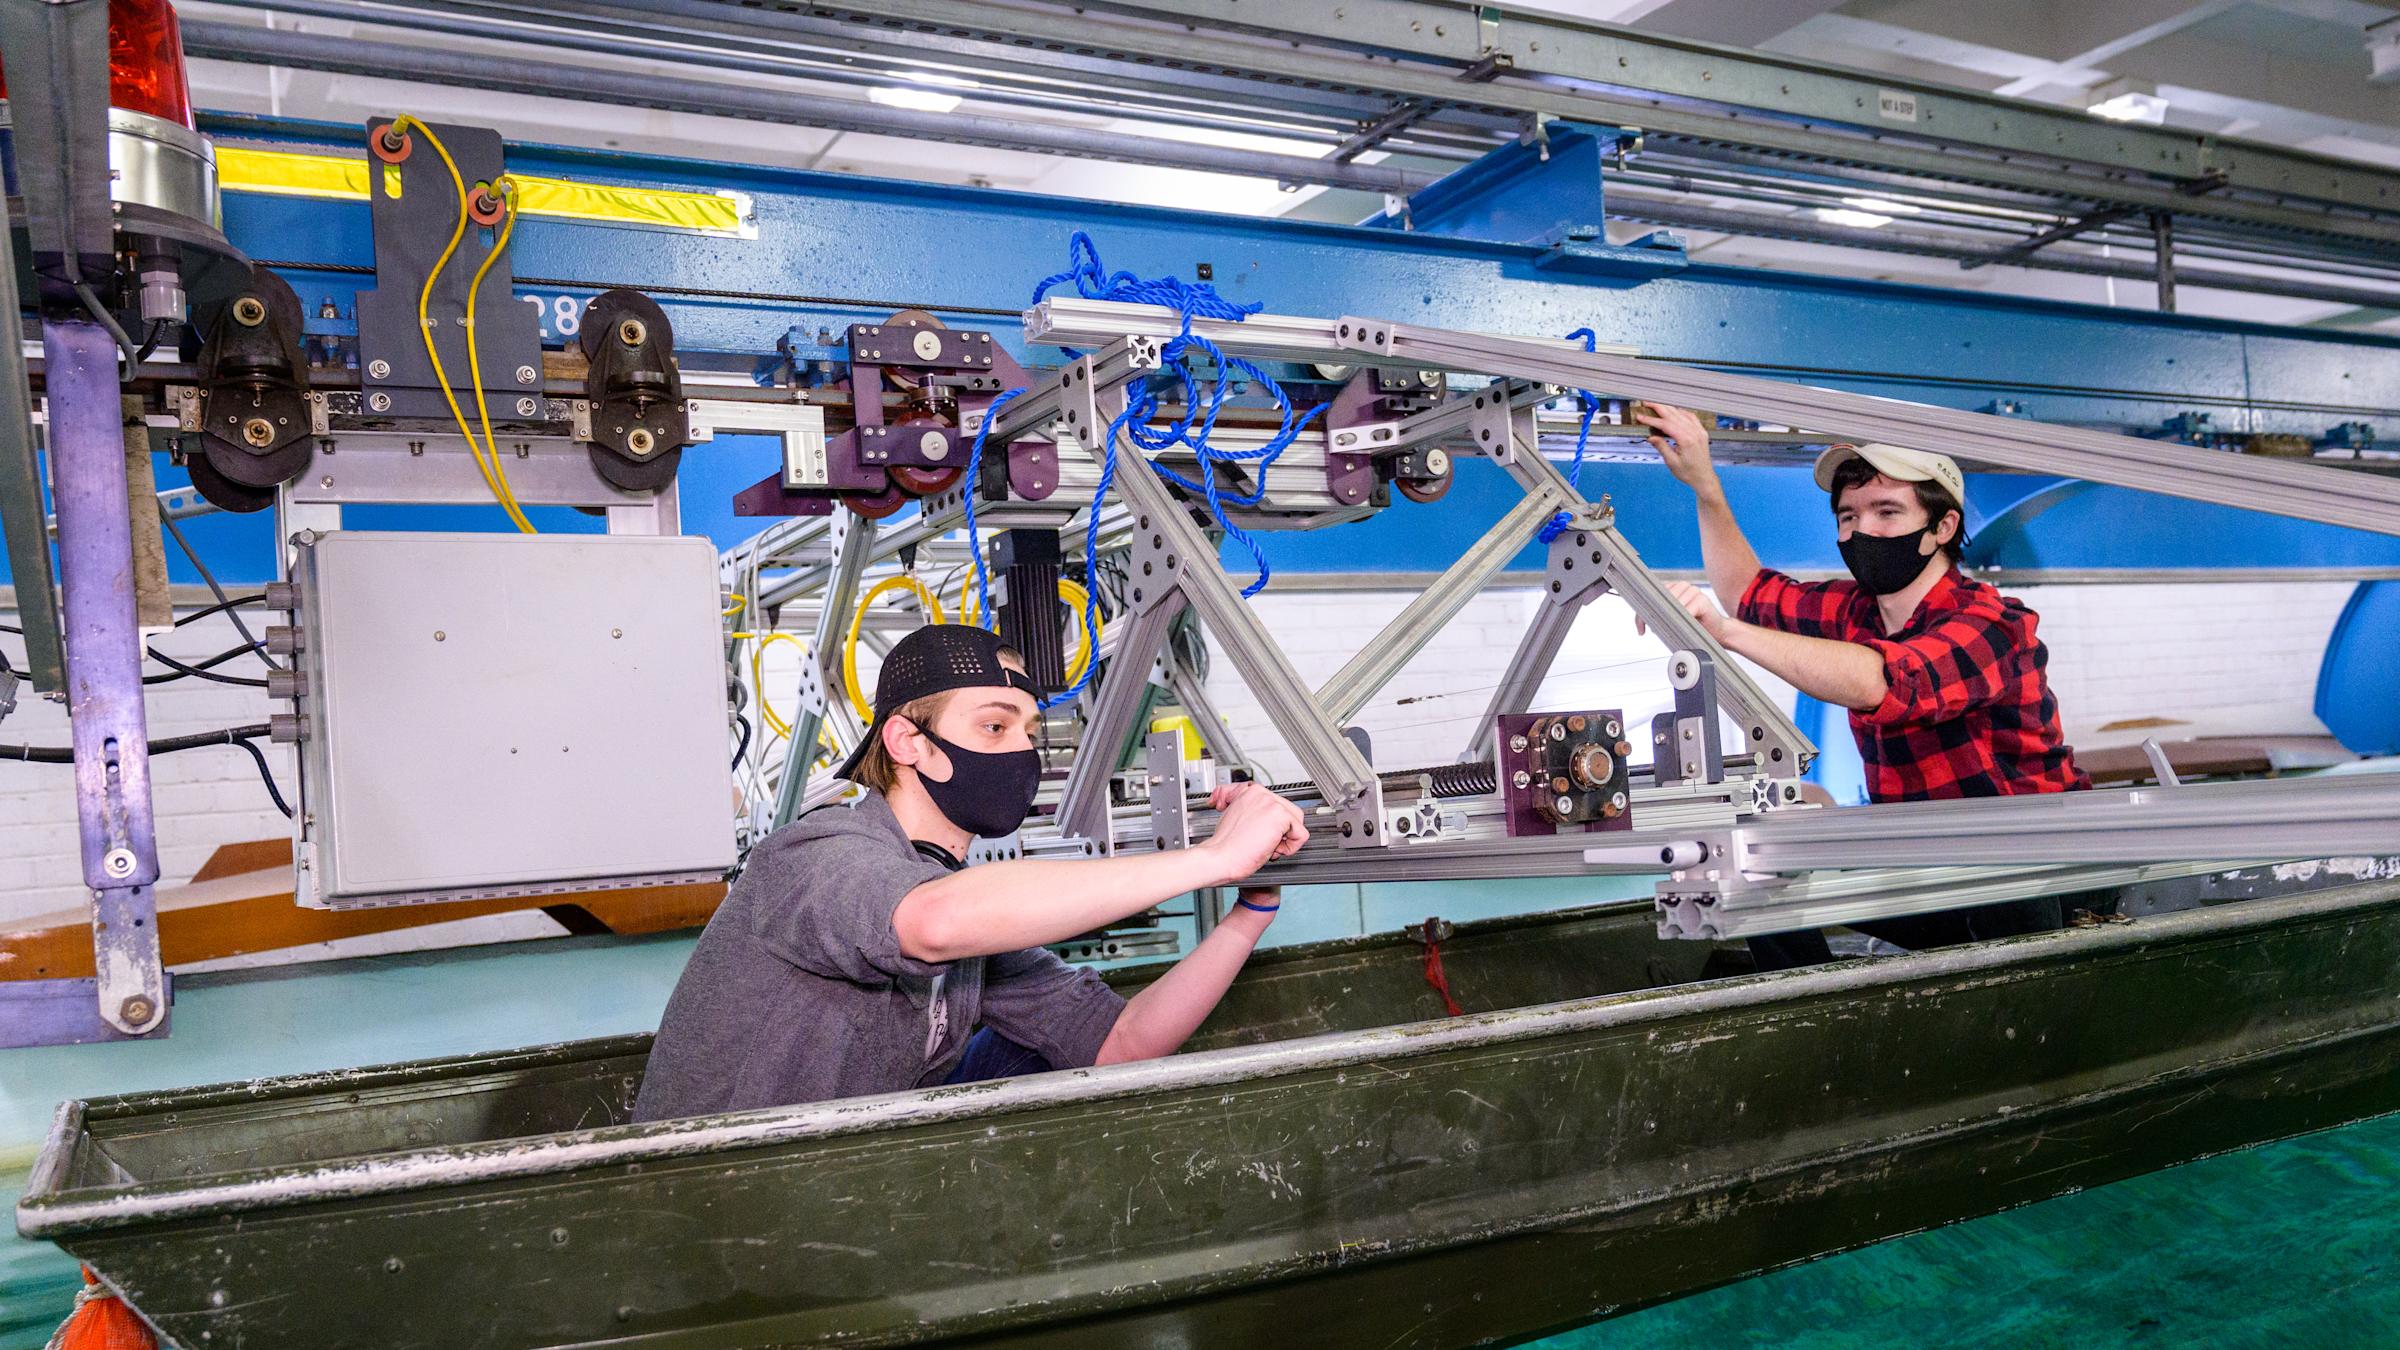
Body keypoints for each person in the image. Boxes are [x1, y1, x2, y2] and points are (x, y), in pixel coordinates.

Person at [633, 623, 1306, 1121]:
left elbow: (1122, 1042)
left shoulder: (962, 914)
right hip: (706, 1206)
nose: (1022, 751)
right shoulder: (814, 856)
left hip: (839, 1194)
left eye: (1030, 732)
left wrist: (1250, 907)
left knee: (1044, 1061)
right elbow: (933, 921)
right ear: (908, 744)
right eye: (994, 727)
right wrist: (1209, 858)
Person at [1631, 402, 2089, 971]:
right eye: (1848, 516)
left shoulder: (1993, 624)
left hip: (2043, 881)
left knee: (2009, 899)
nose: (1861, 530)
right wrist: (1706, 486)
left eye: (1886, 512)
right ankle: (1803, 1000)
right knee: (1764, 847)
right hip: (1932, 867)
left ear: (1941, 528)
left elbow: (1884, 680)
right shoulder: (1856, 611)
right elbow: (1747, 591)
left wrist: (1725, 634)